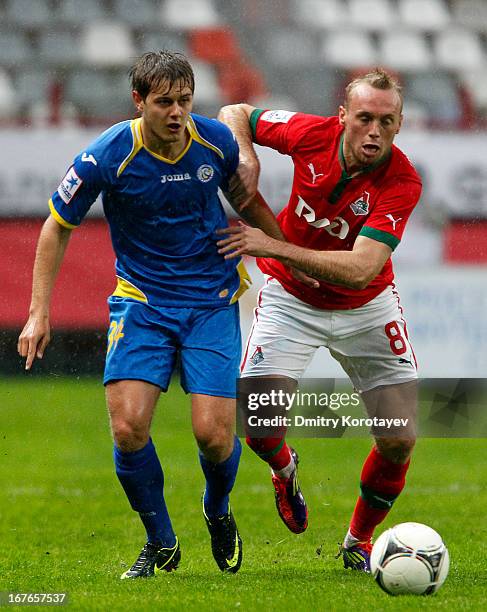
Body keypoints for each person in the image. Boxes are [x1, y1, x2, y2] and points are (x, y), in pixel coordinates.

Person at [17, 50, 284, 579]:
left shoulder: (215, 142)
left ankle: (217, 508)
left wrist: (289, 255)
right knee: (128, 427)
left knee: (214, 436)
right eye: (164, 102)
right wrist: (37, 313)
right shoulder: (107, 155)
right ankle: (160, 541)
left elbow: (247, 201)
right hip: (142, 302)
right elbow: (56, 226)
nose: (177, 112)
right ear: (138, 101)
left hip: (211, 300)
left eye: (185, 101)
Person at [217, 69, 422, 572]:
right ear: (343, 117)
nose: (375, 131)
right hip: (291, 300)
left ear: (399, 125)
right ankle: (285, 470)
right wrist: (247, 158)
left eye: (387, 122)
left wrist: (272, 245)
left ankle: (358, 541)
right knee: (260, 429)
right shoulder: (310, 135)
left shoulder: (401, 181)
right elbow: (235, 113)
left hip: (366, 309)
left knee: (398, 438)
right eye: (365, 118)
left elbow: (360, 270)